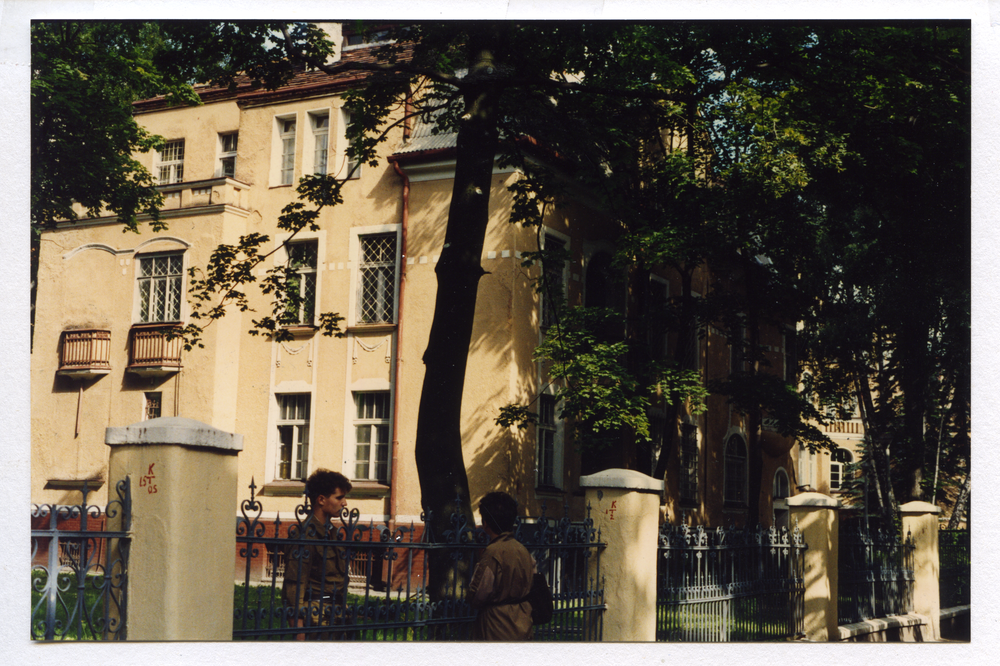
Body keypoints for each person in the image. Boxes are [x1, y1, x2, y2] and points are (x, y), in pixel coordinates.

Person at [282, 469, 352, 640]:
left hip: (337, 616)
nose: (345, 503)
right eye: (339, 497)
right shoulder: (304, 536)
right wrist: (298, 634)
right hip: (315, 620)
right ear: (321, 499)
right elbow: (294, 586)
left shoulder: (333, 533)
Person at [467, 491, 535, 640]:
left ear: (486, 524)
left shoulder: (493, 552)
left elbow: (478, 594)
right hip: (523, 624)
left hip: (496, 628)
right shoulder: (522, 550)